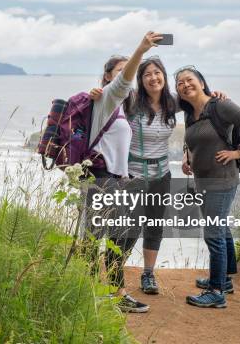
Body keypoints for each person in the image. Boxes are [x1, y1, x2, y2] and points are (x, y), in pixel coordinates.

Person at [89, 57, 227, 298]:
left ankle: (148, 274)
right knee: (126, 230)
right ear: (140, 81)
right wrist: (97, 92)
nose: (153, 78)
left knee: (154, 226)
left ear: (164, 76)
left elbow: (198, 107)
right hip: (133, 176)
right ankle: (114, 279)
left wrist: (214, 95)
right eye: (147, 75)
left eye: (157, 73)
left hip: (162, 174)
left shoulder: (173, 102)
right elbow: (112, 95)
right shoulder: (131, 101)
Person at [83, 31, 164, 313]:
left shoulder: (121, 105)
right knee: (96, 237)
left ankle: (106, 293)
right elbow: (124, 81)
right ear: (108, 78)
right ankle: (96, 296)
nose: (127, 77)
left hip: (116, 180)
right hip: (99, 179)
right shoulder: (107, 97)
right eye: (120, 72)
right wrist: (141, 50)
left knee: (118, 235)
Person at [175, 65, 240, 308]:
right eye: (180, 83)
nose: (185, 85)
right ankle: (224, 280)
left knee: (213, 235)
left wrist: (239, 151)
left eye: (189, 79)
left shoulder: (220, 105)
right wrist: (185, 155)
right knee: (221, 229)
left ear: (201, 82)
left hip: (221, 180)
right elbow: (189, 138)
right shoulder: (190, 113)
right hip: (204, 180)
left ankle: (216, 292)